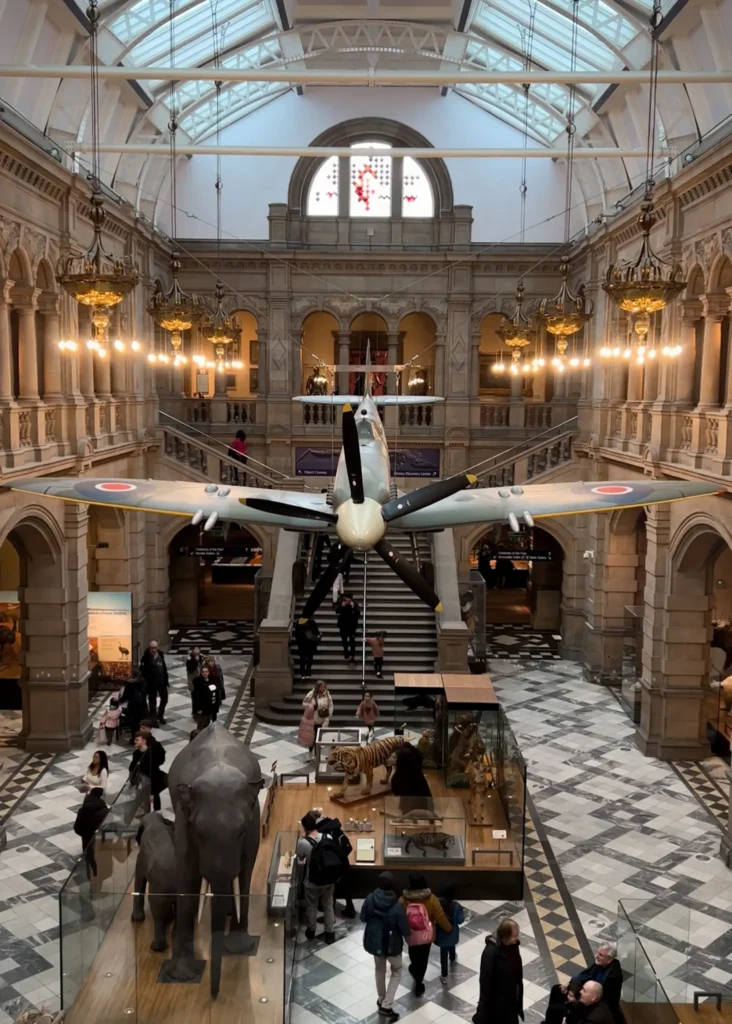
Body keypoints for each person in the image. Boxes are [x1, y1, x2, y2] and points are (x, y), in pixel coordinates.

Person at [361, 871, 410, 1021]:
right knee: (396, 971)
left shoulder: (370, 899)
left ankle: (381, 999)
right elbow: (405, 929)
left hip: (376, 942)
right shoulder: (397, 906)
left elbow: (363, 917)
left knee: (379, 970)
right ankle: (387, 1005)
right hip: (392, 945)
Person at [400, 872, 451, 996]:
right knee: (423, 958)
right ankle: (419, 981)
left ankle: (413, 967)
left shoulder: (403, 900)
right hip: (426, 935)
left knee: (413, 953)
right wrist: (448, 928)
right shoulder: (431, 899)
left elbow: (399, 916)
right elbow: (439, 916)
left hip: (411, 934)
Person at [543, 944, 622, 1024]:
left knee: (562, 1007)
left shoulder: (612, 977)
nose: (596, 956)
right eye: (598, 953)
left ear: (609, 959)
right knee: (557, 989)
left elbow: (597, 998)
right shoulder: (600, 963)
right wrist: (570, 986)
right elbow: (585, 975)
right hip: (586, 993)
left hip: (593, 1001)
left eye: (601, 955)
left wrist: (576, 1000)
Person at [296, 811, 339, 944]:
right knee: (328, 905)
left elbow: (300, 858)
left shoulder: (303, 843)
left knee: (312, 906)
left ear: (304, 828)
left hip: (312, 882)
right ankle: (329, 932)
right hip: (329, 880)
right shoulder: (328, 837)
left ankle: (311, 930)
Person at [473, 918, 523, 1024]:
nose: (517, 938)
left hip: (511, 999)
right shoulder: (490, 952)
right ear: (505, 936)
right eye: (514, 936)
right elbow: (485, 982)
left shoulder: (513, 945)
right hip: (497, 1004)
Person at [129, 728, 167, 812]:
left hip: (152, 780)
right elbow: (132, 766)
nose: (135, 741)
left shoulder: (151, 754)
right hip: (141, 780)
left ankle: (155, 814)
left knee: (152, 799)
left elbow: (153, 773)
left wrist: (152, 793)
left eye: (137, 740)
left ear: (144, 741)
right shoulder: (136, 753)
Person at [73, 787, 108, 878]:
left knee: (88, 853)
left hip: (85, 834)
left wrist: (83, 832)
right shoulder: (103, 809)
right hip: (98, 835)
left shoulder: (83, 809)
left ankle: (91, 871)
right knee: (98, 854)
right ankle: (98, 873)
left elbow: (77, 826)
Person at [436, 885, 464, 983]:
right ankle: (452, 957)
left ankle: (444, 976)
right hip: (453, 934)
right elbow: (461, 920)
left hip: (441, 936)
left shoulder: (438, 905)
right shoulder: (457, 906)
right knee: (452, 945)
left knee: (443, 955)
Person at [139, 640, 169, 725]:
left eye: (155, 648)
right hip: (151, 684)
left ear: (157, 647)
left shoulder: (160, 654)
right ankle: (153, 719)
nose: (153, 650)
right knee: (152, 702)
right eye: (152, 648)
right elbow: (142, 670)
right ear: (149, 648)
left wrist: (166, 681)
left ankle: (160, 715)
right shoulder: (146, 657)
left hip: (161, 682)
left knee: (165, 699)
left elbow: (164, 668)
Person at [302, 681, 333, 754]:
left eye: (324, 687)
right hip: (312, 718)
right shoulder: (311, 694)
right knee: (312, 737)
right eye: (321, 687)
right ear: (317, 687)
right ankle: (311, 749)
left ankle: (317, 752)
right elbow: (304, 703)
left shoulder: (327, 695)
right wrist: (310, 706)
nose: (323, 688)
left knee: (318, 737)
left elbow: (330, 705)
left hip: (322, 719)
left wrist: (328, 715)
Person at [120, 671, 147, 741]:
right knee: (140, 722)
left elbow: (126, 696)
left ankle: (134, 738)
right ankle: (142, 737)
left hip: (133, 706)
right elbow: (145, 692)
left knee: (134, 722)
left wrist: (120, 701)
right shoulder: (143, 681)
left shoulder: (130, 683)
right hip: (142, 705)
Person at [338, 595, 360, 663]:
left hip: (352, 626)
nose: (347, 602)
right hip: (343, 625)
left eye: (349, 601)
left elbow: (358, 614)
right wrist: (341, 606)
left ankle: (352, 654)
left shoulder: (355, 604)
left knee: (352, 641)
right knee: (344, 640)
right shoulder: (341, 604)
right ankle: (346, 652)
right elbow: (336, 611)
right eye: (346, 600)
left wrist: (353, 608)